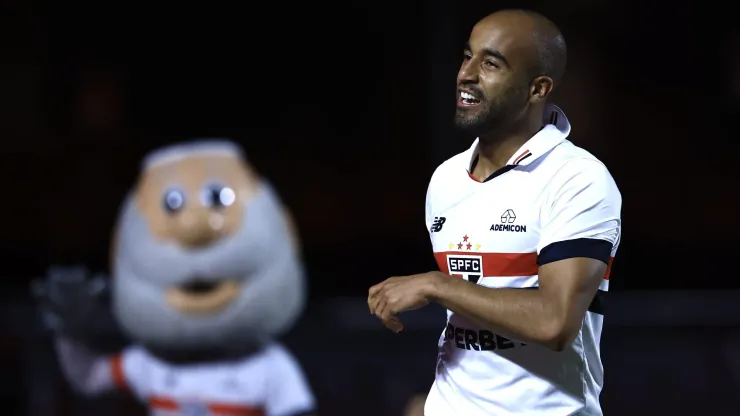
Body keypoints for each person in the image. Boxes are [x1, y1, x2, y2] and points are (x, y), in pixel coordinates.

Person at [368, 9, 621, 416]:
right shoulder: (446, 179)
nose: (465, 74)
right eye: (466, 56)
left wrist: (436, 285)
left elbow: (554, 323)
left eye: (490, 63)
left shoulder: (578, 179)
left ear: (537, 88)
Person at [35, 140, 316, 416]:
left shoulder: (268, 366)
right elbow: (90, 378)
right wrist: (68, 330)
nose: (192, 225)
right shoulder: (149, 363)